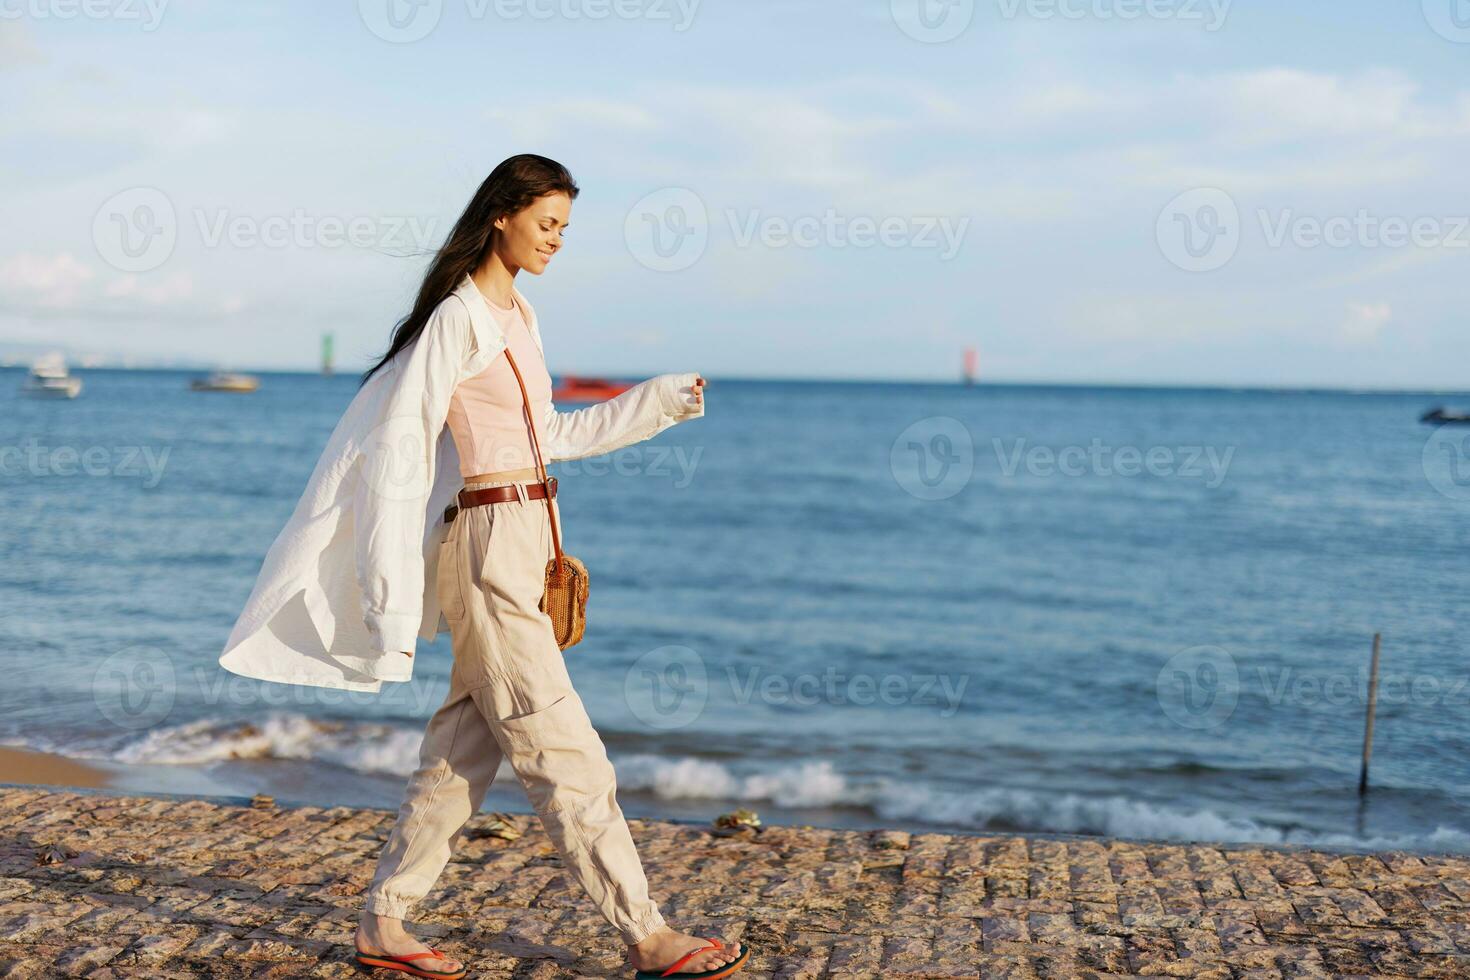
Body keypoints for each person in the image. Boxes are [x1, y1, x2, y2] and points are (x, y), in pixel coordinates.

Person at [332, 155, 750, 979]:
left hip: (527, 536)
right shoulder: (457, 319)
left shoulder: (520, 314)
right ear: (502, 215)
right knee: (567, 754)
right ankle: (647, 935)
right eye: (547, 223)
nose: (557, 240)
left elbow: (548, 437)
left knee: (462, 755)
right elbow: (402, 446)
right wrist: (387, 581)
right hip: (485, 543)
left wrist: (657, 399)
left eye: (565, 227)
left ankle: (385, 920)